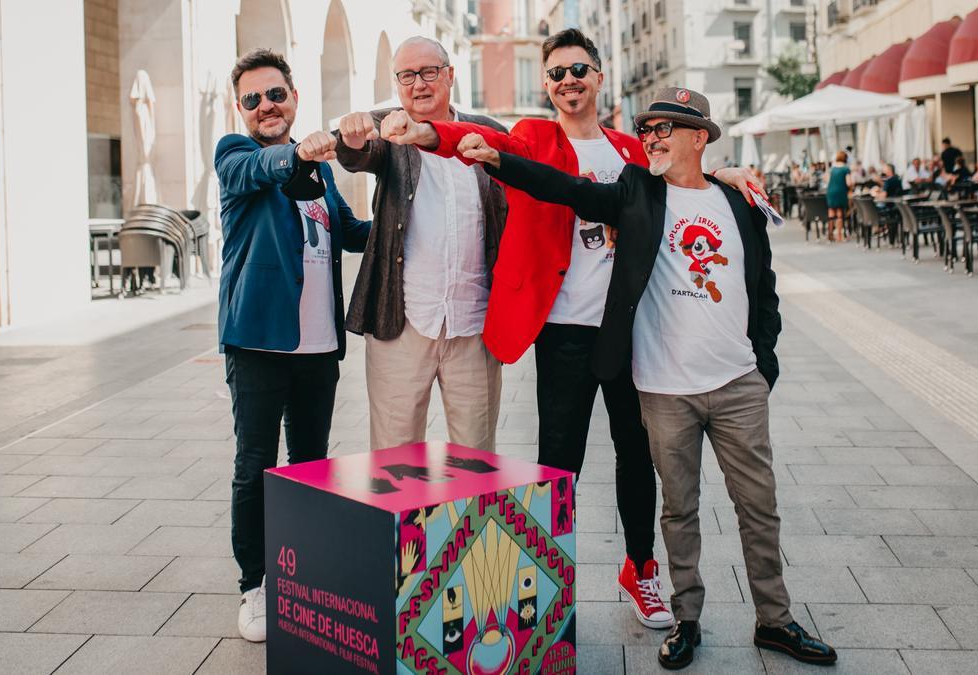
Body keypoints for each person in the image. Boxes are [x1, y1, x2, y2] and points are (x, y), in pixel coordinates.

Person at [427, 87, 838, 671]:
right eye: (647, 130)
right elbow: (567, 189)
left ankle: (775, 620)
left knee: (759, 507)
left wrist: (762, 363)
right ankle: (686, 620)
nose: (653, 138)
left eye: (667, 129)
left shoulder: (737, 200)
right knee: (679, 508)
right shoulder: (637, 191)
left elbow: (763, 287)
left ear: (701, 138)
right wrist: (498, 160)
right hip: (666, 387)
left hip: (738, 384)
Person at [375, 28, 760, 631]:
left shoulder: (632, 153)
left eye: (579, 69)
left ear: (599, 77)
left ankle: (640, 569)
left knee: (639, 455)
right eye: (555, 73)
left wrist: (730, 174)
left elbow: (685, 178)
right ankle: (548, 580)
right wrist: (427, 133)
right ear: (547, 85)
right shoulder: (532, 137)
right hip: (563, 328)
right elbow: (477, 141)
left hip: (632, 330)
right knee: (560, 461)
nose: (567, 81)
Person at [216, 48, 371, 643]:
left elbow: (351, 232)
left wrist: (409, 221)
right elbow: (258, 172)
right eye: (252, 99)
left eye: (274, 94)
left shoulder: (323, 174)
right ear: (241, 109)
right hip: (257, 341)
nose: (265, 106)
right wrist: (303, 149)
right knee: (255, 468)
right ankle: (255, 585)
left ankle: (302, 576)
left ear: (294, 96)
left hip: (317, 345)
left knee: (309, 465)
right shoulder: (238, 154)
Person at [332, 37, 508, 453]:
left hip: (475, 326)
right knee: (394, 461)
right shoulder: (388, 128)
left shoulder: (487, 132)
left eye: (429, 72)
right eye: (407, 75)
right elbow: (357, 150)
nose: (419, 84)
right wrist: (351, 138)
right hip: (401, 322)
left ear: (450, 75)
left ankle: (469, 522)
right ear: (397, 83)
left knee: (477, 462)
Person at [825, 151, 852, 241]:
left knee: (831, 212)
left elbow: (827, 180)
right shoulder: (845, 169)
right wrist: (852, 186)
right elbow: (849, 183)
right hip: (840, 191)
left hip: (831, 191)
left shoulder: (832, 168)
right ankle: (839, 236)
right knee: (839, 213)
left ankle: (830, 233)